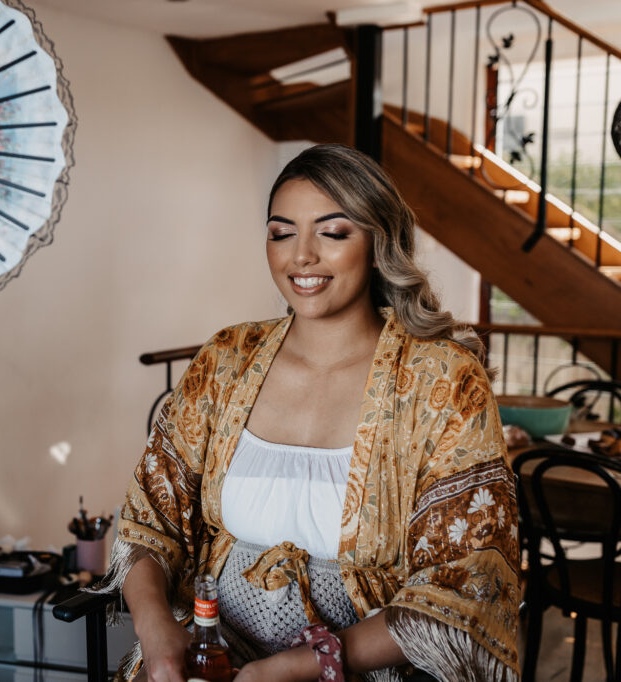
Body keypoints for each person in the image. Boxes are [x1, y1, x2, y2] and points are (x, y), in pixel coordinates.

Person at [101, 144, 520, 681]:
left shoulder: (442, 381)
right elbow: (147, 521)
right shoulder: (227, 358)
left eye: (332, 232)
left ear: (377, 243)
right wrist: (157, 632)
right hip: (213, 661)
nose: (300, 255)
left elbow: (467, 583)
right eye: (281, 233)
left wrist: (296, 667)